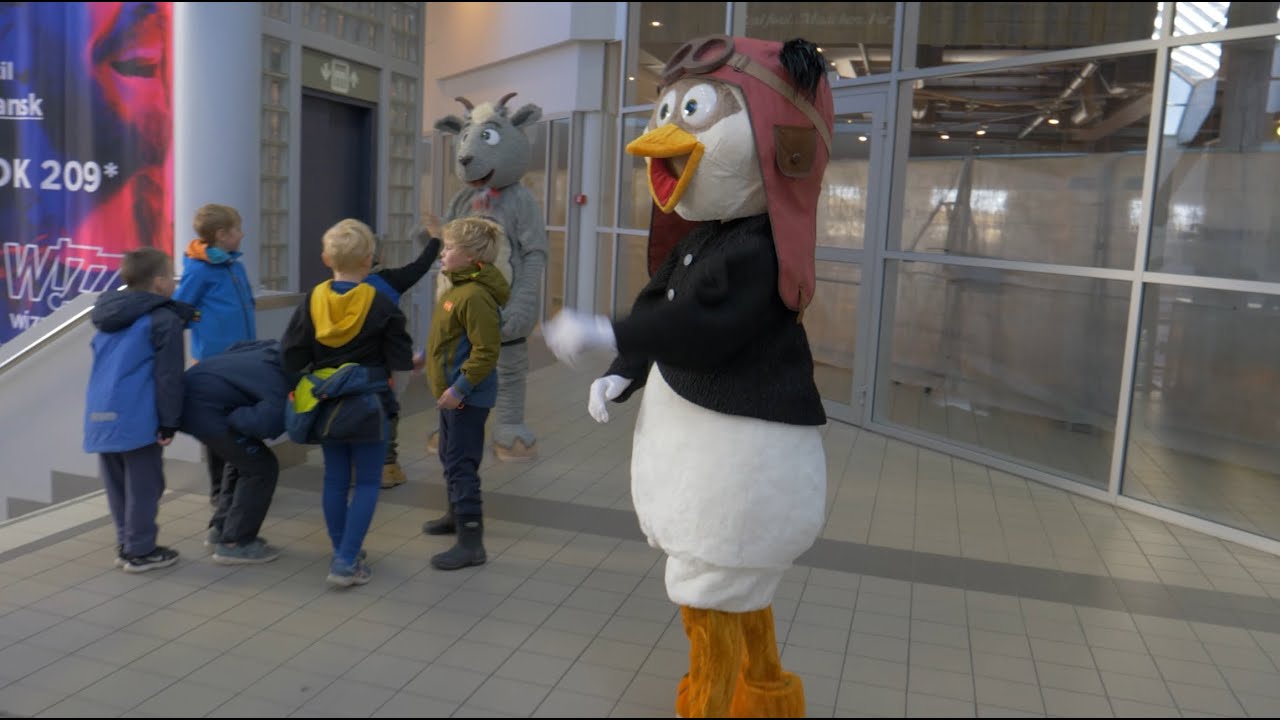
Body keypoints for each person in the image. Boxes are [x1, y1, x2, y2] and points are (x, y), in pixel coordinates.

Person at [281, 219, 413, 587]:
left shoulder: (313, 300)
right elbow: (401, 365)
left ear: (326, 258)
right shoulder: (382, 305)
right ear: (369, 260)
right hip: (370, 404)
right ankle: (346, 559)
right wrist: (392, 401)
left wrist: (303, 389)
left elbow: (290, 356)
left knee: (335, 479)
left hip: (326, 405)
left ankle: (344, 552)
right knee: (368, 482)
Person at [83, 247, 194, 573]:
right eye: (171, 274)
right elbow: (169, 375)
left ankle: (127, 543)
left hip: (100, 411)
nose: (174, 281)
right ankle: (140, 550)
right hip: (137, 415)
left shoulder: (107, 315)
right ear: (159, 282)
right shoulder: (163, 319)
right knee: (146, 485)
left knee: (117, 484)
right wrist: (170, 421)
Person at [417, 217, 510, 570]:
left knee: (461, 464)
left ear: (473, 256)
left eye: (450, 247)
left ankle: (471, 542)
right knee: (448, 455)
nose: (443, 253)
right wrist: (424, 358)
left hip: (465, 397)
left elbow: (485, 351)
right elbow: (449, 340)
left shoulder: (474, 296)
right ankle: (455, 515)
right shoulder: (456, 290)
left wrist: (460, 388)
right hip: (451, 393)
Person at [180, 340, 294, 565]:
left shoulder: (270, 351)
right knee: (261, 467)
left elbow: (235, 347)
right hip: (206, 411)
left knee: (242, 459)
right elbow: (265, 425)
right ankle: (236, 543)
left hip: (192, 395)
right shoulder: (281, 384)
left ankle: (222, 529)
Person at [173, 203, 256, 507]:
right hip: (215, 364)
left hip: (243, 360)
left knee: (238, 424)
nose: (243, 233)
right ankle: (220, 492)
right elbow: (180, 310)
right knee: (217, 428)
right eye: (238, 229)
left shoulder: (235, 264)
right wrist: (201, 323)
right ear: (222, 235)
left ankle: (235, 487)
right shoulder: (198, 269)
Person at [364, 228, 442, 488]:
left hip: (355, 361)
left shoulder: (335, 287)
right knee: (389, 411)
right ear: (379, 255)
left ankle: (360, 463)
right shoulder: (391, 280)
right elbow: (421, 265)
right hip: (392, 360)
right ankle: (387, 465)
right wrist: (435, 240)